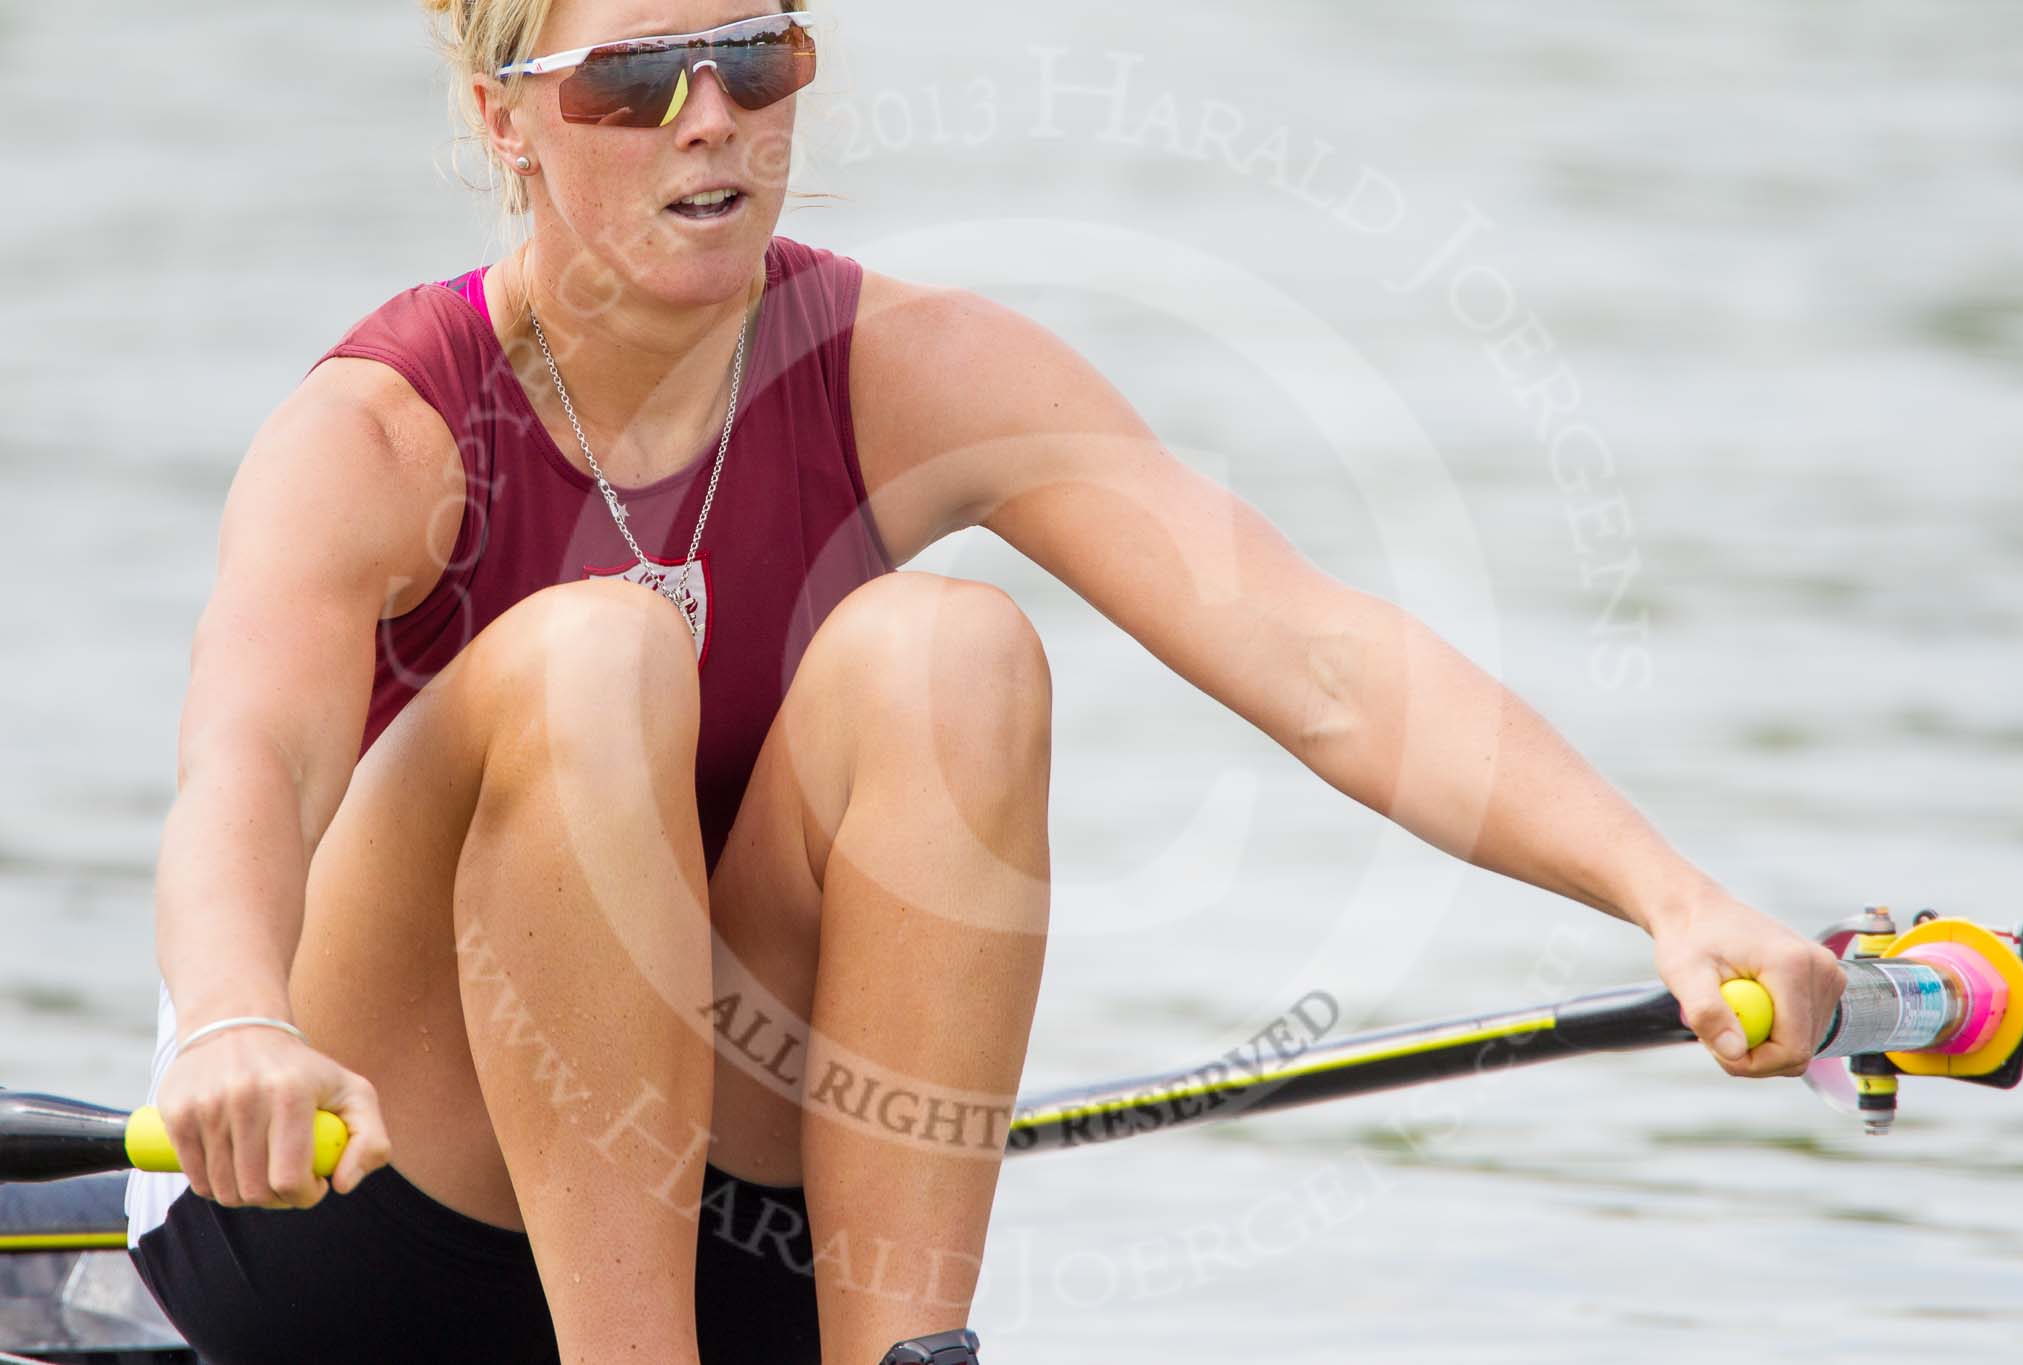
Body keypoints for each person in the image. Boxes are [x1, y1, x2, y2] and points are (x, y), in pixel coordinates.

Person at [124, 2, 1846, 1363]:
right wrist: (232, 1023)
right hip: (359, 1218)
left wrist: (1672, 900)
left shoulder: (916, 370)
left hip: (748, 1248)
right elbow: (246, 773)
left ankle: (908, 1352)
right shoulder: (378, 432)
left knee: (955, 649)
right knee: (595, 652)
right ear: (507, 121)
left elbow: (1318, 658)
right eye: (633, 78)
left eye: (755, 57)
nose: (709, 114)